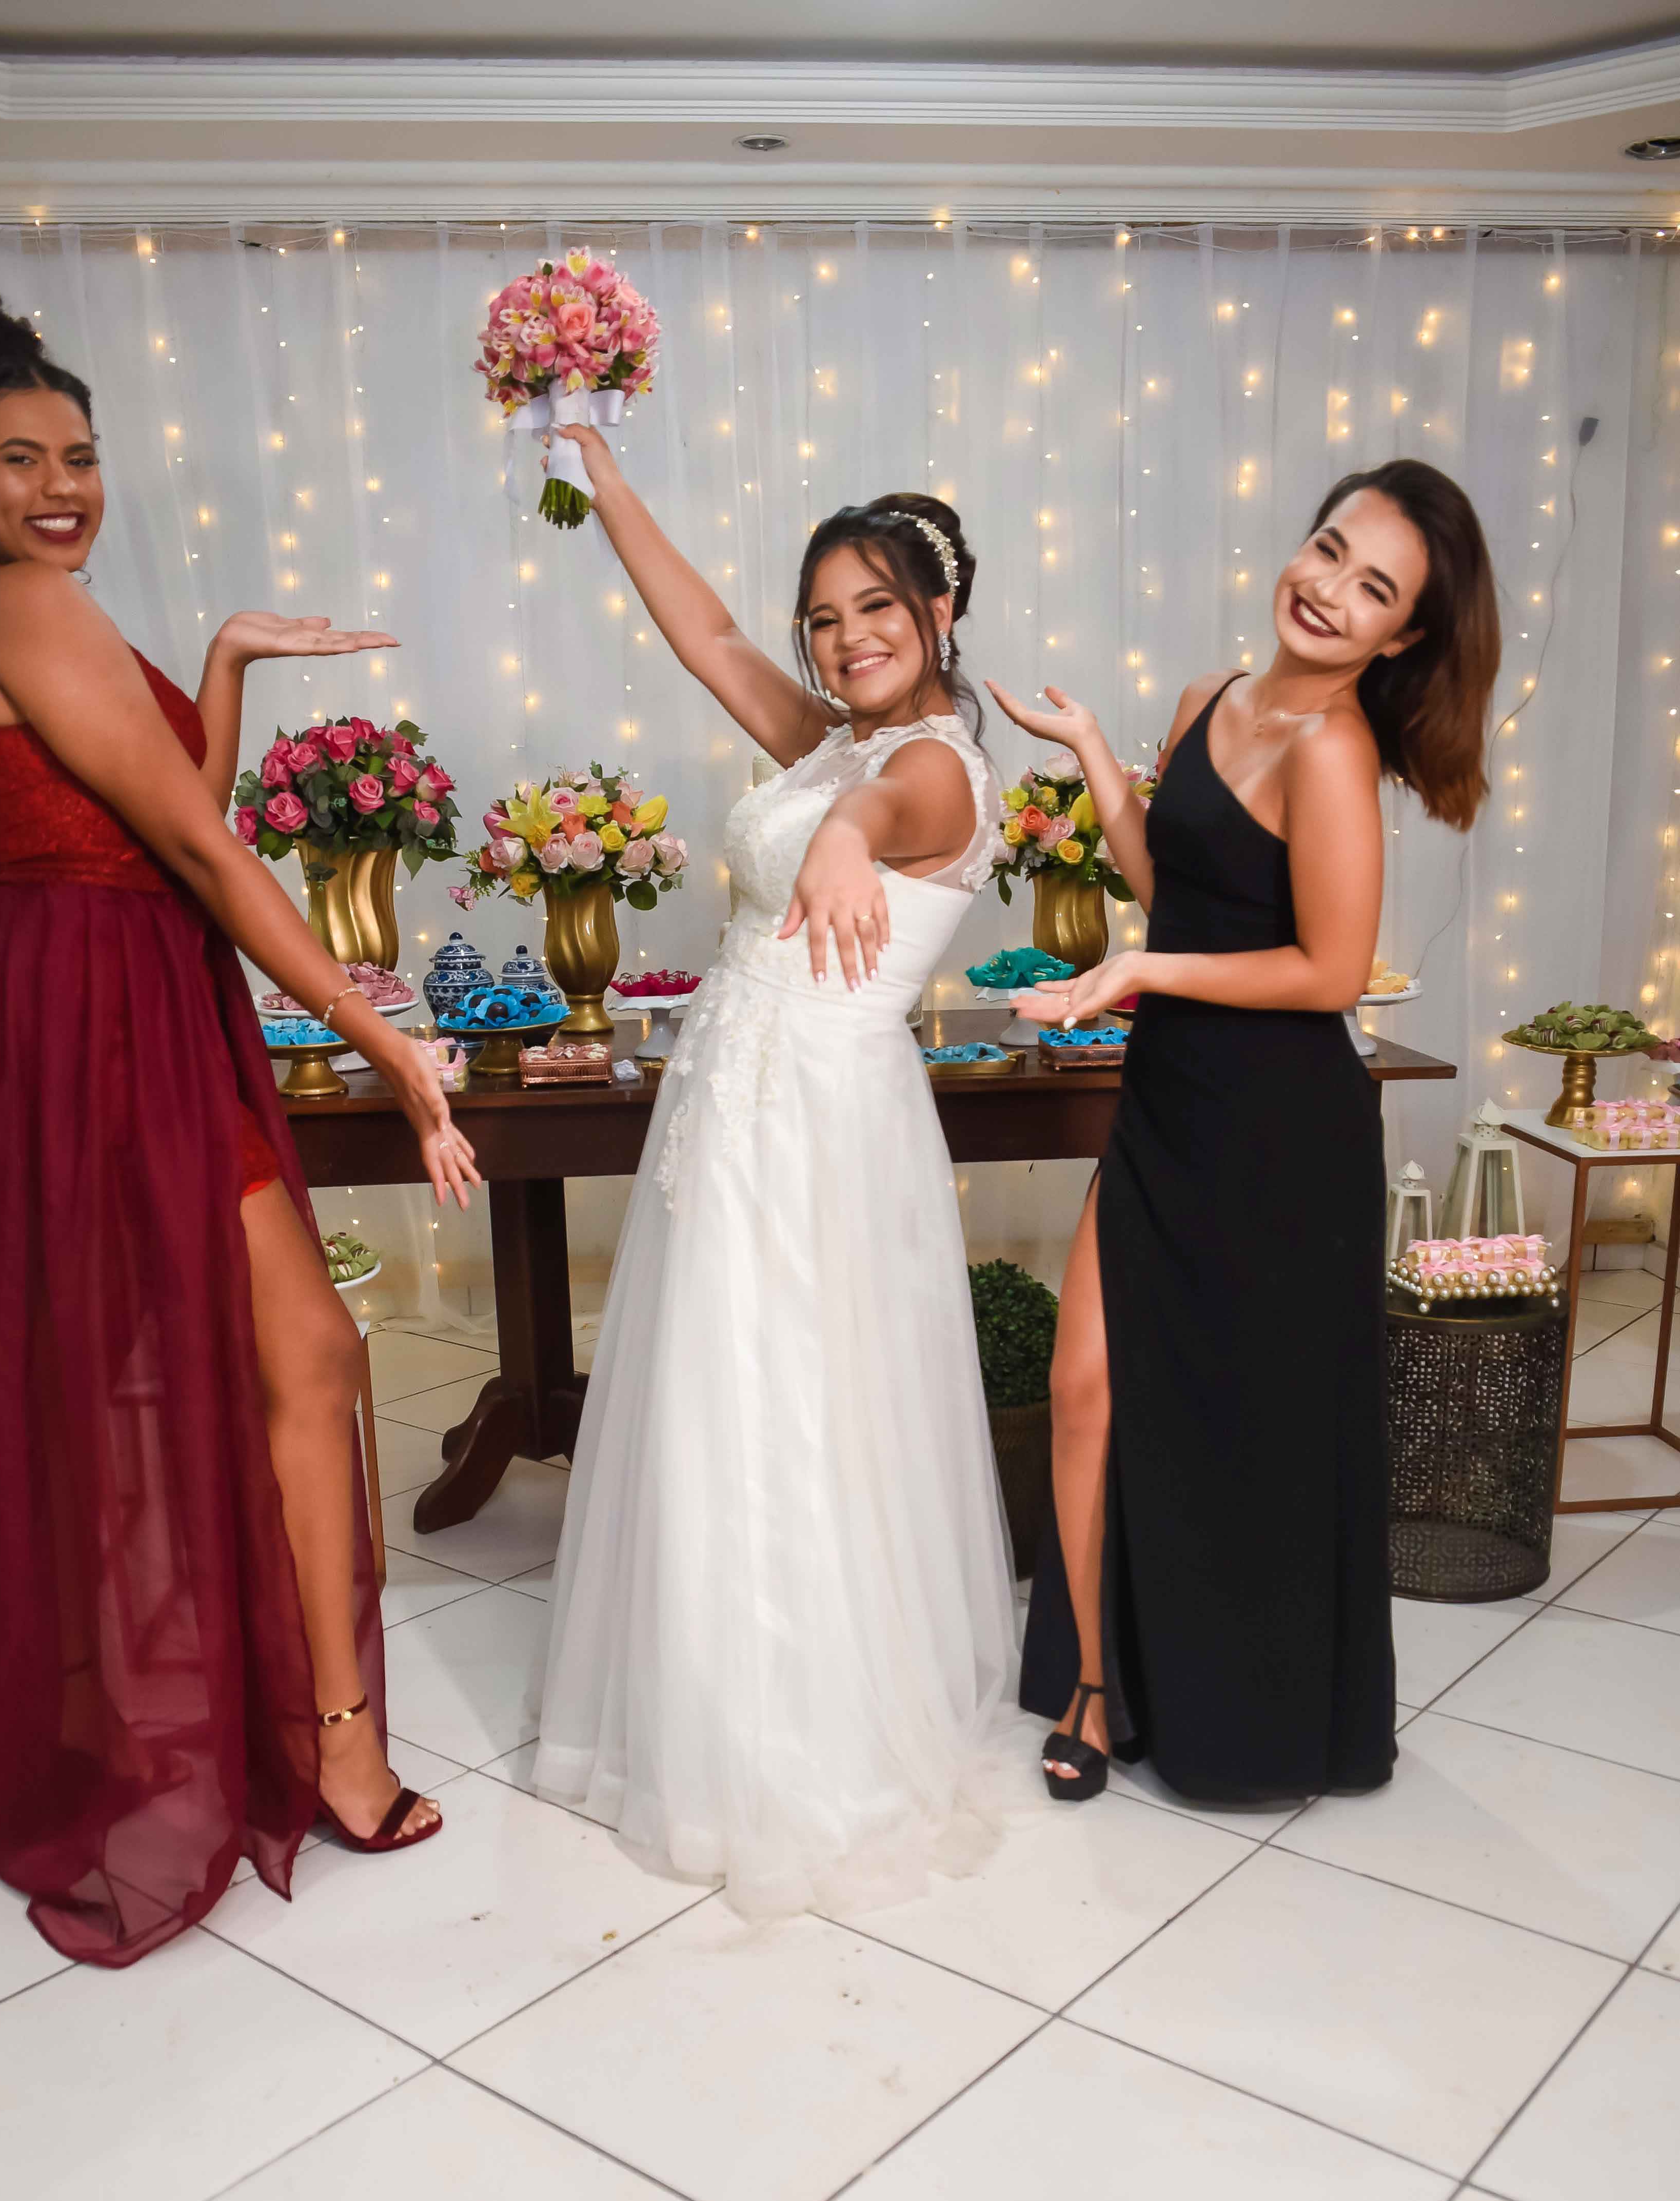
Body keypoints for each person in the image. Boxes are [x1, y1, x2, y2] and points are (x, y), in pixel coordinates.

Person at [0, 292, 481, 1966]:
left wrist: (217, 662)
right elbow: (208, 857)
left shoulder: (16, 605)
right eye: (21, 459)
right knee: (254, 1358)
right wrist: (382, 1037)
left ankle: (305, 1726)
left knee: (276, 1357)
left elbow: (175, 813)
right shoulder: (25, 603)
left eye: (80, 455)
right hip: (100, 1008)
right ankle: (298, 1743)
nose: (62, 486)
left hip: (106, 990)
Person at [533, 426, 1017, 1916]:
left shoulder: (929, 768)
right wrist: (604, 473)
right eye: (823, 616)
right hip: (734, 1109)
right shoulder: (833, 739)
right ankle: (709, 1706)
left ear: (939, 612)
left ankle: (804, 1748)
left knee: (797, 1404)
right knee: (714, 1395)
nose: (847, 637)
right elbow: (706, 635)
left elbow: (888, 814)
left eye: (877, 607)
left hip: (812, 1121)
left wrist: (843, 839)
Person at [997, 459, 1500, 1806]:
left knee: (1249, 1431)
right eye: (1328, 549)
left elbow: (1329, 972)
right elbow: (1173, 890)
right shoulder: (1209, 699)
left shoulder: (1334, 749)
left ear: (1402, 634)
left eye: (1373, 588)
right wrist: (1094, 755)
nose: (1329, 590)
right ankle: (1094, 1681)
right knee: (1086, 1388)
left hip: (1280, 1137)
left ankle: (1247, 1715)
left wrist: (1136, 973)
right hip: (1172, 1101)